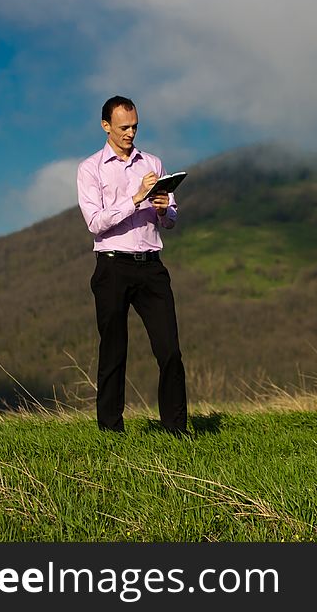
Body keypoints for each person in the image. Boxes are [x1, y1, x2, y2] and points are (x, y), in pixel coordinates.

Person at [76, 95, 188, 435]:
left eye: (135, 126)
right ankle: (110, 430)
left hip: (151, 266)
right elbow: (95, 223)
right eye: (124, 127)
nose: (130, 133)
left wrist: (162, 207)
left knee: (169, 349)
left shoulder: (152, 162)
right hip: (112, 266)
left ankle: (176, 429)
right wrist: (136, 198)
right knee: (113, 351)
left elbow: (170, 220)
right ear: (105, 126)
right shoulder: (90, 168)